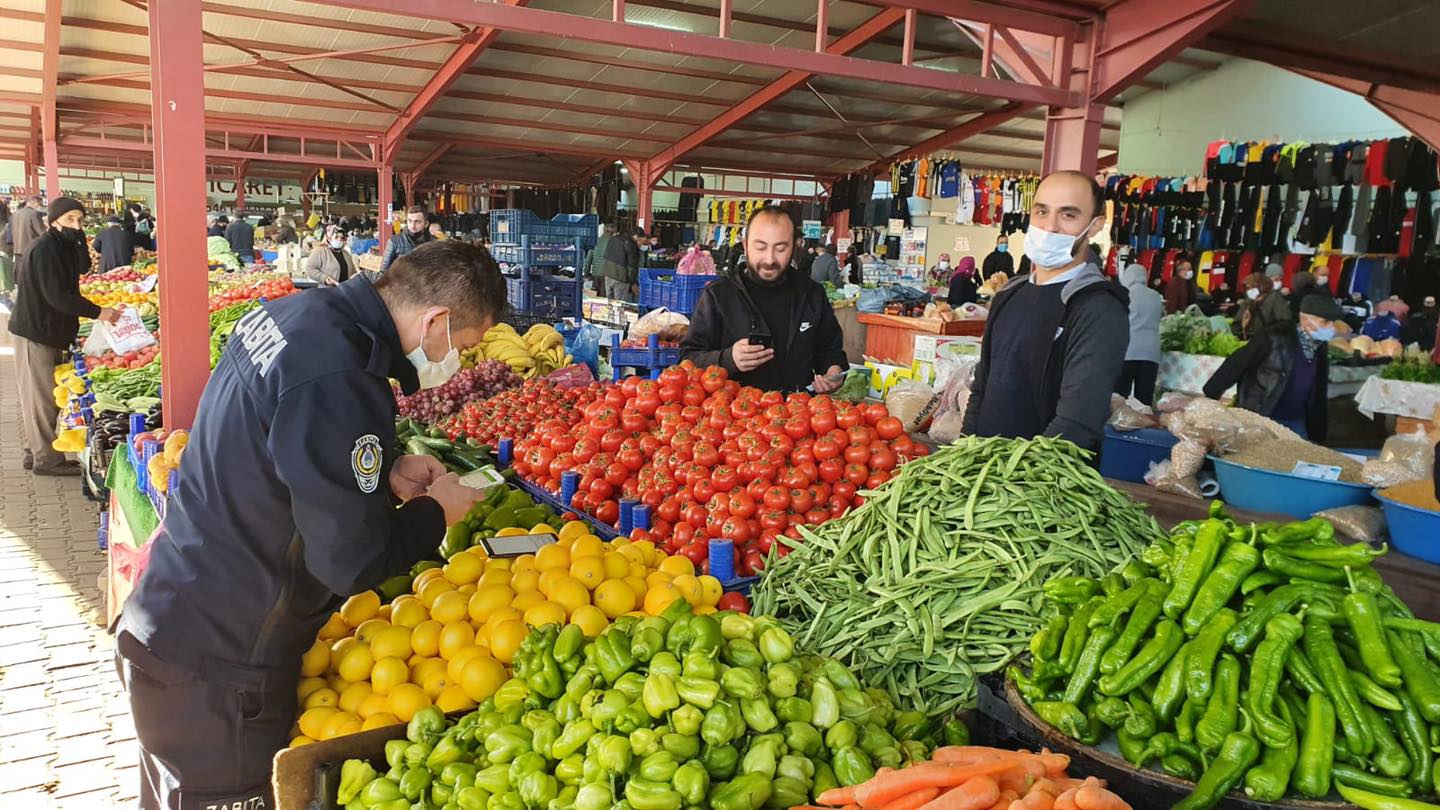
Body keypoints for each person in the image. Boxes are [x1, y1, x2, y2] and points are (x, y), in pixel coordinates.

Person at [115, 241, 504, 810]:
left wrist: (379, 473)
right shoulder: (342, 375)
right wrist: (435, 512)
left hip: (175, 617)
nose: (457, 361)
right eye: (462, 346)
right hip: (221, 670)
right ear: (436, 320)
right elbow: (351, 562)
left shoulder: (299, 316)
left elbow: (283, 445)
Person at [961, 171, 1129, 454]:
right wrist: (964, 453)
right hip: (983, 475)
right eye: (1041, 211)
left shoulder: (1097, 307)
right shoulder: (1008, 294)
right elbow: (982, 389)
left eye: (1068, 215)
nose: (1050, 226)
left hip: (1041, 485)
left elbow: (1076, 423)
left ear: (1095, 225)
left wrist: (1013, 480)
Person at [9, 198, 122, 475]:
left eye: (80, 220)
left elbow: (83, 268)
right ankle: (47, 461)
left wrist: (79, 240)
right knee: (40, 399)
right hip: (35, 332)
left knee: (44, 397)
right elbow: (58, 296)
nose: (76, 225)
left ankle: (37, 450)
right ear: (53, 220)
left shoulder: (61, 246)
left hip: (48, 331)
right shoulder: (46, 249)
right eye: (70, 219)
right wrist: (100, 312)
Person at [681, 205, 847, 393]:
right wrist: (727, 359)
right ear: (745, 245)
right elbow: (688, 358)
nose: (769, 259)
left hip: (798, 415)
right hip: (730, 415)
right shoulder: (719, 295)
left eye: (780, 248)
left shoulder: (811, 294)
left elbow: (829, 349)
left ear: (794, 246)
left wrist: (834, 370)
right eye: (760, 247)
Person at [1203, 294, 1342, 440]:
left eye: (1333, 322)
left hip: (1297, 421)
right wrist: (1211, 396)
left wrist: (1318, 433)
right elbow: (1236, 363)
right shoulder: (1273, 337)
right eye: (1326, 322)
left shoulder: (1320, 347)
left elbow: (1319, 389)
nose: (1331, 327)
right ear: (1305, 319)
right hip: (1264, 415)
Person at [1114, 262, 1163, 406]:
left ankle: (1118, 426)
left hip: (1128, 350)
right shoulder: (1155, 296)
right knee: (1144, 399)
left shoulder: (1124, 294)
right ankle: (1143, 425)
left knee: (1119, 398)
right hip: (1151, 352)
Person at [1232, 273, 1292, 340]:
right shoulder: (1247, 302)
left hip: (1270, 340)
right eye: (1247, 288)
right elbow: (1236, 326)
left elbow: (1286, 323)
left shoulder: (1275, 299)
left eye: (1251, 287)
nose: (1249, 291)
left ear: (1262, 286)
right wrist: (1243, 329)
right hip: (1251, 340)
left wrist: (1266, 333)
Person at [379, 206, 434, 272]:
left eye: (417, 222)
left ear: (426, 224)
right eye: (410, 221)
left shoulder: (433, 243)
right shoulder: (394, 241)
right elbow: (384, 271)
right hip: (400, 281)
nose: (412, 226)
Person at [600, 227, 643, 301]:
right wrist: (632, 281)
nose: (638, 240)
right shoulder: (630, 244)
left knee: (609, 301)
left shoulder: (613, 238)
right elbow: (632, 266)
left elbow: (605, 255)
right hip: (621, 277)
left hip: (608, 274)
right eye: (639, 238)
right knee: (619, 303)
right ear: (635, 235)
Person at [584, 225, 615, 296]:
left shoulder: (595, 241)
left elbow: (588, 260)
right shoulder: (614, 242)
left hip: (595, 275)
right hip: (607, 275)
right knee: (604, 299)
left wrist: (586, 274)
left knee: (595, 297)